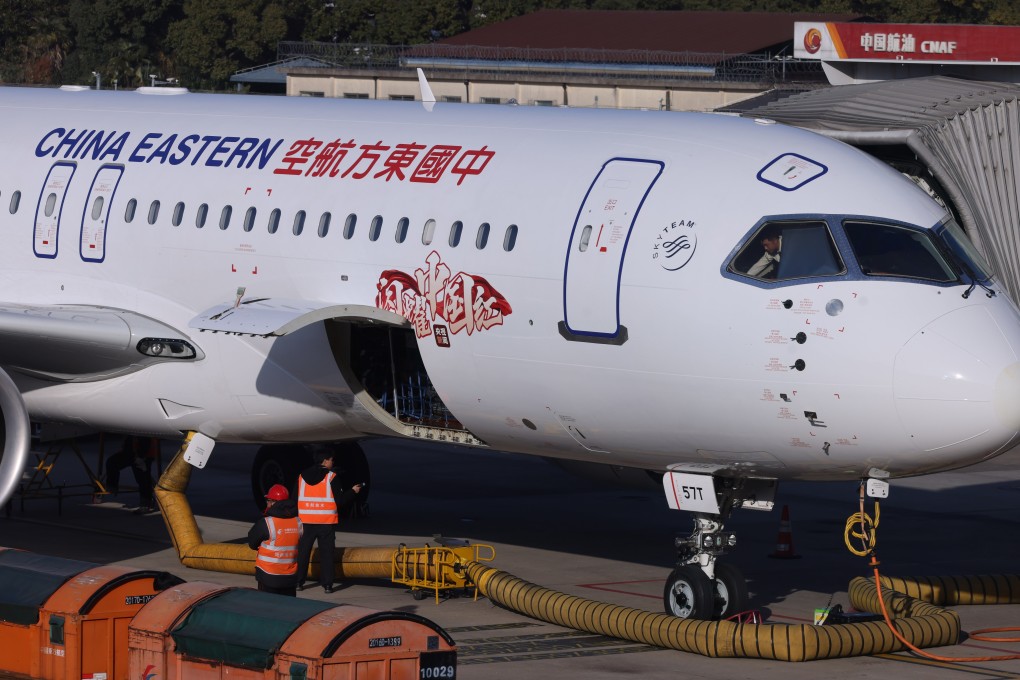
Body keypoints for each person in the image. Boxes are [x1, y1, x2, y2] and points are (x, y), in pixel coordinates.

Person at [294, 445, 363, 594]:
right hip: (326, 523)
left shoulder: (301, 477)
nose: (333, 462)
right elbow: (340, 501)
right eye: (331, 460)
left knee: (303, 553)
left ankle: (298, 582)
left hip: (306, 522)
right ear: (325, 461)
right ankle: (327, 585)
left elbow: (295, 499)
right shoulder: (331, 477)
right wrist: (353, 491)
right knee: (327, 555)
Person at [247, 484, 302, 596]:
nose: (267, 503)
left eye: (268, 500)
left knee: (267, 606)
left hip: (268, 576)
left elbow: (252, 543)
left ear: (273, 503)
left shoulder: (267, 523)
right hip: (290, 578)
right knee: (288, 605)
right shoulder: (298, 522)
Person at [104, 435, 157, 514]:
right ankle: (112, 486)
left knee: (142, 477)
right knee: (112, 462)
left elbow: (145, 441)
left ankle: (146, 504)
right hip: (130, 452)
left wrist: (141, 457)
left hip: (145, 453)